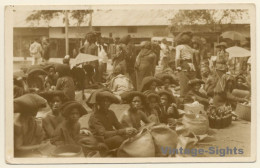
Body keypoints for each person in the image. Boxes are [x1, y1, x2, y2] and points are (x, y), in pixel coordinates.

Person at [175, 32, 198, 97]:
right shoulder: (190, 49)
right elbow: (193, 60)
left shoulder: (179, 47)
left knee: (183, 83)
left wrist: (177, 66)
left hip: (184, 64)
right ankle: (189, 97)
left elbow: (177, 58)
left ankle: (183, 97)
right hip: (191, 65)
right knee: (190, 83)